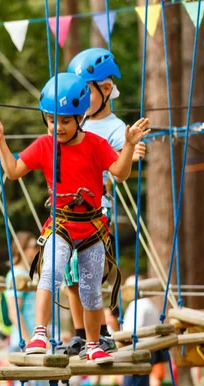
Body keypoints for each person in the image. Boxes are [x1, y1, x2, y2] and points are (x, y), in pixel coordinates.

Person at [0, 72, 150, 364]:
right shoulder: (43, 145)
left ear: (80, 118)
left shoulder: (96, 144)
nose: (57, 127)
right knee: (51, 270)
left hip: (92, 227)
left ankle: (93, 344)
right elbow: (12, 171)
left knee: (90, 289)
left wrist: (127, 145)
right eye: (51, 120)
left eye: (64, 121)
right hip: (60, 223)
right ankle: (40, 333)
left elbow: (121, 174)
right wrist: (0, 140)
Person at [56, 48, 147, 358]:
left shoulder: (114, 129)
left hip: (95, 211)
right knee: (69, 277)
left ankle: (101, 333)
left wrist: (130, 153)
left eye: (85, 92)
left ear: (106, 89)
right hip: (66, 210)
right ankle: (82, 334)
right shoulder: (74, 125)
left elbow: (121, 168)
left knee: (86, 276)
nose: (78, 99)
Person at [5, 231, 51, 386]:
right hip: (24, 341)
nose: (38, 250)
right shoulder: (17, 275)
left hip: (31, 341)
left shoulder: (30, 274)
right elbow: (14, 312)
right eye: (33, 246)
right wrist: (28, 339)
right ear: (21, 249)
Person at [121, 275, 167, 386]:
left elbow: (130, 332)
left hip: (136, 354)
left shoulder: (138, 305)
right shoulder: (150, 306)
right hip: (149, 353)